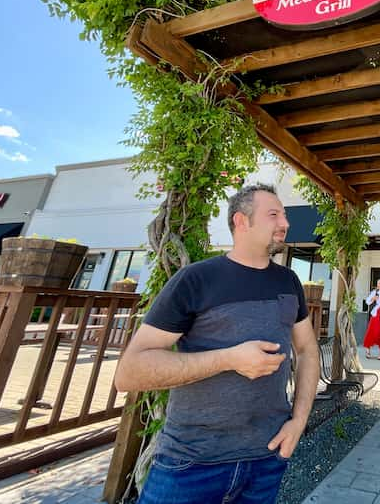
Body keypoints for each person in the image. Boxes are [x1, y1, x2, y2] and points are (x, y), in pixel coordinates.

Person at [115, 184, 320, 504]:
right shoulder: (195, 279)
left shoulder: (289, 281)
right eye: (274, 215)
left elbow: (307, 349)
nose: (285, 223)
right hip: (190, 464)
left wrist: (299, 421)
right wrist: (228, 359)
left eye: (285, 216)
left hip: (266, 460)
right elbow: (129, 373)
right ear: (242, 222)